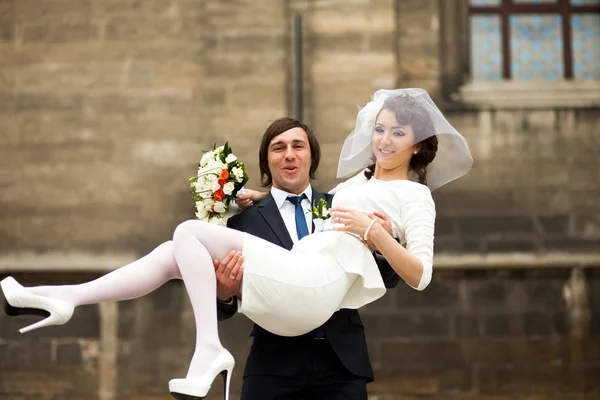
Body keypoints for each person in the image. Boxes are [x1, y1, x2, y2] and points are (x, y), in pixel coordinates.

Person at [1, 88, 473, 400]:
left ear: (417, 144)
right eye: (380, 129)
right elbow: (319, 215)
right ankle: (65, 298)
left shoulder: (415, 197)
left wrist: (377, 235)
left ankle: (209, 348)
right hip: (295, 287)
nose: (385, 140)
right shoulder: (351, 186)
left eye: (398, 132)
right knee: (173, 254)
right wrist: (259, 197)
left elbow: (420, 275)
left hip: (315, 295)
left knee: (188, 231)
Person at [213, 116, 401, 400]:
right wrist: (224, 294)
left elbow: (389, 277)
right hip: (273, 364)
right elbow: (220, 309)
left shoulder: (344, 206)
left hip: (342, 363)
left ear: (311, 157)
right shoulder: (243, 225)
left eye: (298, 146)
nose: (289, 154)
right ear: (267, 162)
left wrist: (382, 242)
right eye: (278, 147)